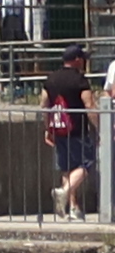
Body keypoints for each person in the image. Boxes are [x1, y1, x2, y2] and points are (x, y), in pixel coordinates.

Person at [48, 56, 96, 217]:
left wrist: (47, 128)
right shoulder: (79, 80)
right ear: (77, 60)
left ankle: (72, 207)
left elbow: (44, 104)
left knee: (66, 168)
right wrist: (101, 128)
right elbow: (89, 104)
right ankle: (65, 191)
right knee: (87, 163)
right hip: (77, 130)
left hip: (58, 129)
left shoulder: (51, 78)